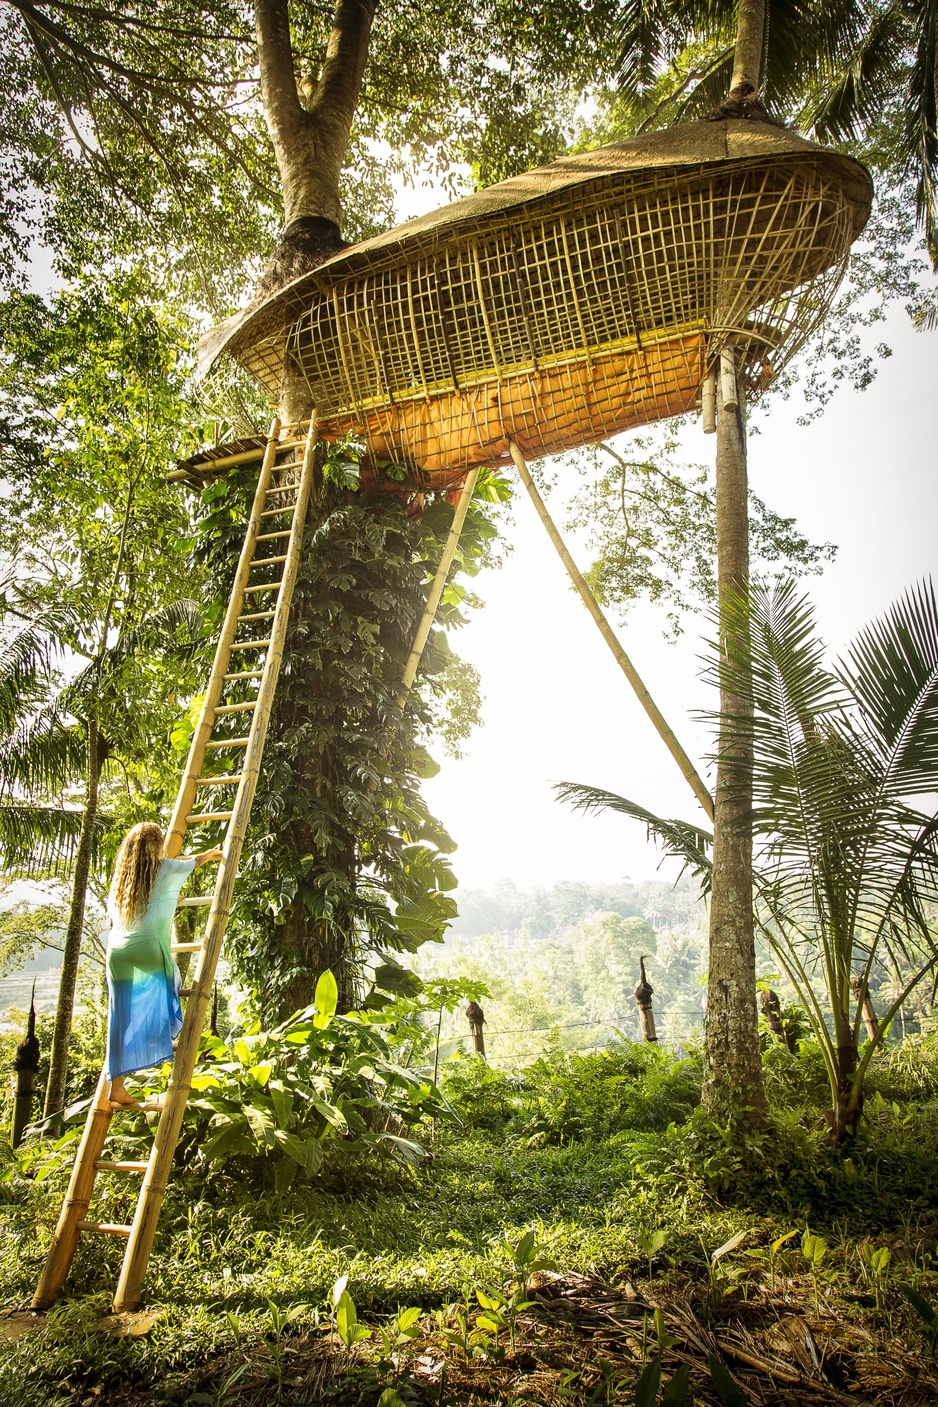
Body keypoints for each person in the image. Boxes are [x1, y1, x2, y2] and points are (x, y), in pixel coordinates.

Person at [104, 823, 223, 1108]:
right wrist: (210, 854)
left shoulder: (123, 880)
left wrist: (172, 897)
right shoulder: (168, 870)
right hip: (148, 948)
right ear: (158, 845)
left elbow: (148, 899)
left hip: (117, 952)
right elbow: (192, 863)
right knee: (172, 983)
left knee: (119, 1017)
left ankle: (116, 1087)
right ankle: (159, 1040)